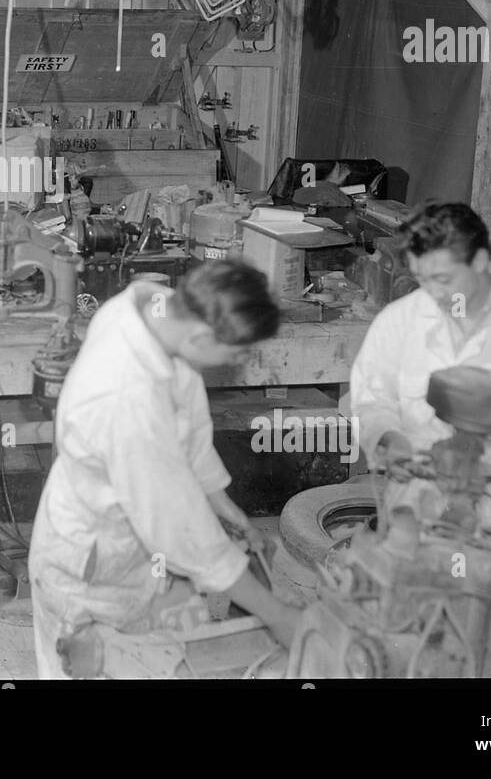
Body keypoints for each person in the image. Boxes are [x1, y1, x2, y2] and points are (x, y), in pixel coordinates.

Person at [29, 259, 300, 679]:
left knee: (155, 650)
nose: (241, 360)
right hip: (90, 559)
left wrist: (229, 511)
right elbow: (179, 525)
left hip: (135, 535)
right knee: (85, 665)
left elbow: (187, 433)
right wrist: (277, 614)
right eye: (237, 353)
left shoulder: (153, 313)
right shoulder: (126, 396)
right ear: (199, 335)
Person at [349, 202, 491, 523]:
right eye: (421, 278)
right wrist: (390, 441)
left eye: (444, 279)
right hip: (411, 506)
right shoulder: (401, 319)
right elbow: (371, 400)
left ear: (480, 261)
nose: (432, 292)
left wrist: (485, 472)